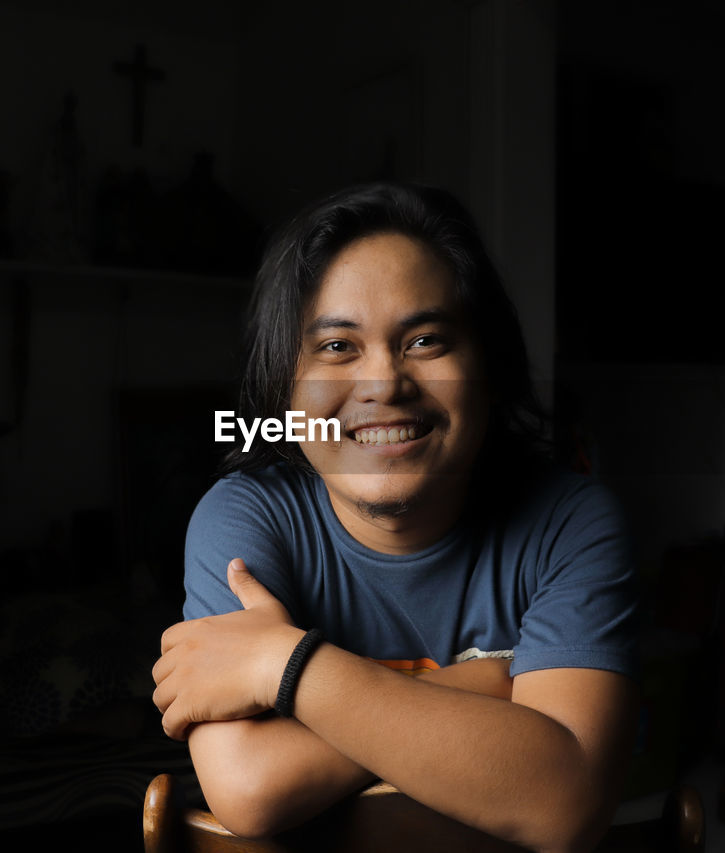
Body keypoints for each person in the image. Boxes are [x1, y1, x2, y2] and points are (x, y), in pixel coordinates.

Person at [151, 183, 639, 852]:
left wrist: (285, 664)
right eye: (336, 348)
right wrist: (489, 683)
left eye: (426, 339)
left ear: (488, 369)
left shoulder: (572, 522)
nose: (384, 383)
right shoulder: (243, 519)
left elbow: (565, 803)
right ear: (284, 391)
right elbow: (251, 788)